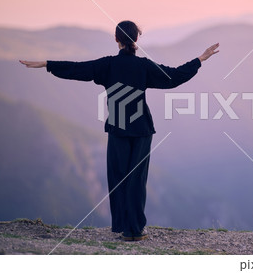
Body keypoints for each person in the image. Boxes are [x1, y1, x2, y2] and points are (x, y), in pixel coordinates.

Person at [19, 20, 219, 241]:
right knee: (137, 180)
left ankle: (126, 228)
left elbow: (78, 69)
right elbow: (174, 77)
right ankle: (135, 230)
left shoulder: (108, 65)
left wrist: (48, 64)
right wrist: (200, 59)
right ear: (136, 39)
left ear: (116, 39)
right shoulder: (144, 66)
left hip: (118, 130)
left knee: (119, 179)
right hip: (142, 130)